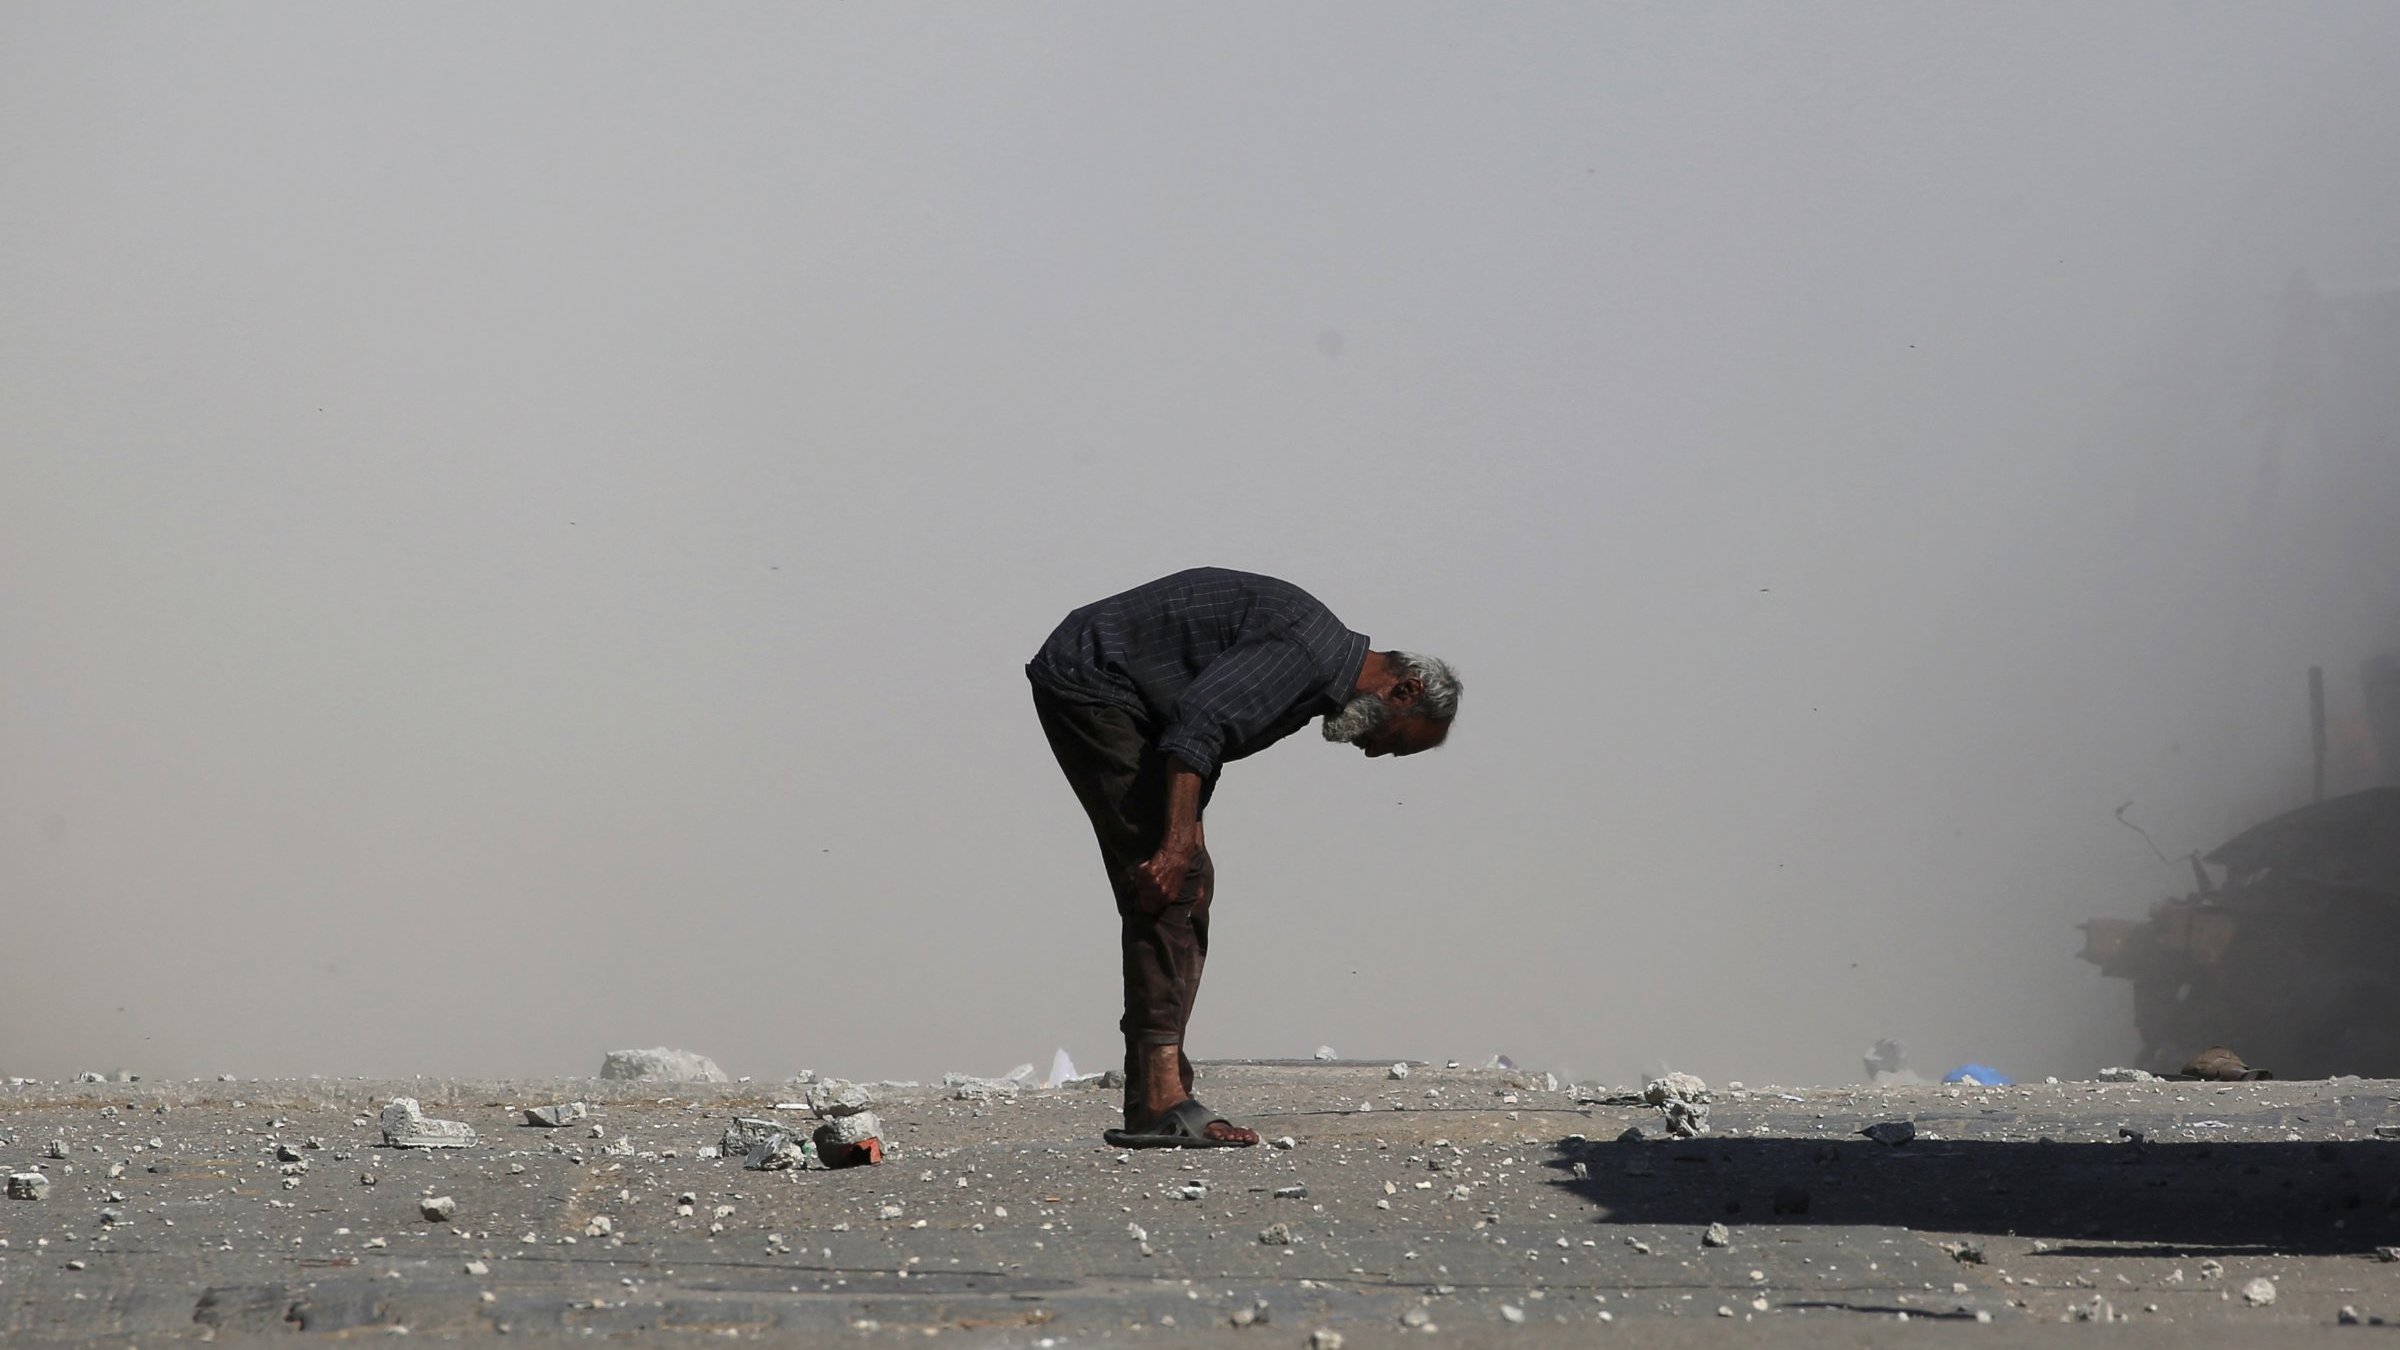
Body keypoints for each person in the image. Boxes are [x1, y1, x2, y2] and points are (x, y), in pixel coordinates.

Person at [1026, 567, 1462, 1147]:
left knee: (1189, 881)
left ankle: (1159, 1090)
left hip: (1124, 695)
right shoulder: (1306, 655)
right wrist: (1177, 842)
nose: (1376, 752)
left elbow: (1206, 738)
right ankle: (1160, 1100)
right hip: (1094, 679)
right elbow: (1200, 723)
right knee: (1170, 883)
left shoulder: (1314, 678)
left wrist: (1187, 837)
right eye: (1398, 741)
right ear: (1403, 690)